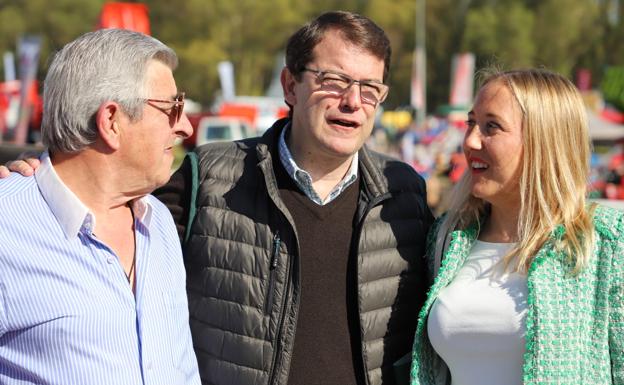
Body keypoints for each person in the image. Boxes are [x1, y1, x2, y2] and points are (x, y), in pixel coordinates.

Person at [2, 12, 434, 385]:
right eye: (334, 81)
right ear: (290, 85)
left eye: (370, 88)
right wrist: (38, 175)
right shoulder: (207, 177)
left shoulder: (404, 194)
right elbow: (91, 190)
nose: (353, 102)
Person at [0, 29, 200, 384]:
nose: (184, 126)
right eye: (173, 107)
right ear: (111, 121)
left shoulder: (159, 223)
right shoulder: (8, 224)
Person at [409, 69, 624, 385]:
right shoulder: (447, 238)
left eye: (491, 127)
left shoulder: (606, 241)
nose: (469, 141)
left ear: (545, 139)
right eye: (471, 123)